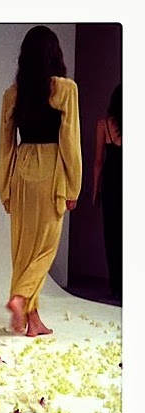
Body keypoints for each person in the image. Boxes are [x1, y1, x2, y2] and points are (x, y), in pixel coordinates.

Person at [0, 25, 82, 337]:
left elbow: (5, 145)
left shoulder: (13, 93)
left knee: (23, 249)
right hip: (50, 169)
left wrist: (5, 188)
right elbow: (70, 142)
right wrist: (73, 185)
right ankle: (21, 296)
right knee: (45, 248)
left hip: (21, 169)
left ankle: (31, 321)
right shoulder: (65, 89)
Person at [92, 83, 122, 301]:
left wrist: (95, 192)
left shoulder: (103, 125)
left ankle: (116, 286)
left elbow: (98, 162)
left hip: (111, 185)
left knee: (111, 236)